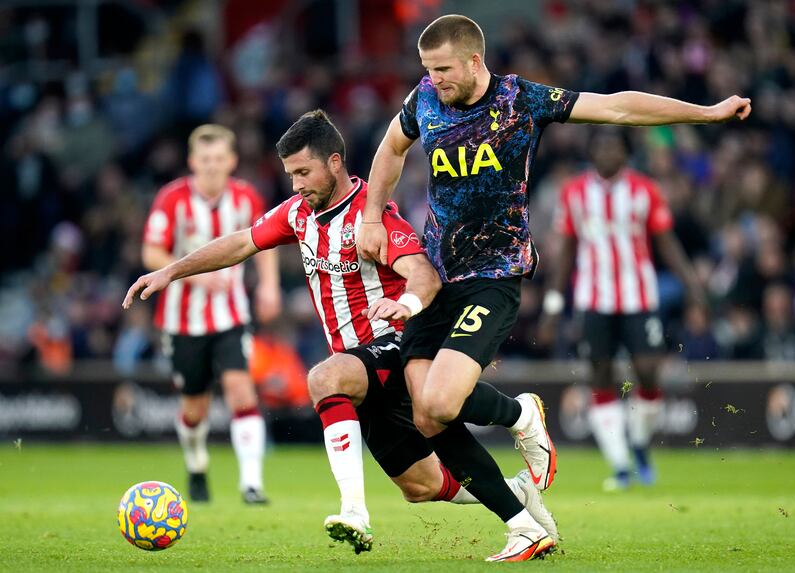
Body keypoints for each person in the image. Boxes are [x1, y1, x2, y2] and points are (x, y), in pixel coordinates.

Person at [356, 14, 750, 562]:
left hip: (494, 277)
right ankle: (523, 525)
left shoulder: (523, 99)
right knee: (426, 415)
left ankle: (521, 415)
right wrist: (373, 215)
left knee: (442, 401)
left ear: (474, 61)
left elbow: (616, 105)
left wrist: (704, 113)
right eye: (428, 69)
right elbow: (390, 150)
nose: (435, 79)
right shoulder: (424, 100)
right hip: (435, 275)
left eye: (443, 69)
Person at [124, 110, 557, 555]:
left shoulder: (373, 217)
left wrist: (403, 304)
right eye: (290, 174)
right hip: (356, 365)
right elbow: (241, 242)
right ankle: (517, 498)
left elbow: (423, 275)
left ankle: (354, 512)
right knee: (422, 486)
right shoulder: (297, 214)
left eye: (303, 172)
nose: (296, 184)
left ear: (334, 163)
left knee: (324, 379)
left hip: (393, 344)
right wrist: (172, 271)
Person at [538, 126, 706, 491]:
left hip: (638, 297)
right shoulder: (575, 193)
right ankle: (619, 466)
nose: (607, 153)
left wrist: (694, 288)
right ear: (592, 152)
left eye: (613, 147)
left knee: (648, 371)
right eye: (600, 147)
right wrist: (553, 307)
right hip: (592, 300)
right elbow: (565, 254)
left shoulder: (644, 190)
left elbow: (667, 243)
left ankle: (641, 443)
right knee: (600, 376)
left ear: (625, 153)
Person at [141, 124, 281, 504]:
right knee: (194, 406)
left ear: (232, 160)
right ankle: (196, 461)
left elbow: (266, 242)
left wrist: (269, 286)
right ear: (192, 162)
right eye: (206, 160)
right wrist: (198, 279)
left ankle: (251, 484)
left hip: (231, 316)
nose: (213, 167)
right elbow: (151, 254)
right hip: (182, 320)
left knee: (240, 390)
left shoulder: (246, 198)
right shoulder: (172, 199)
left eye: (220, 159)